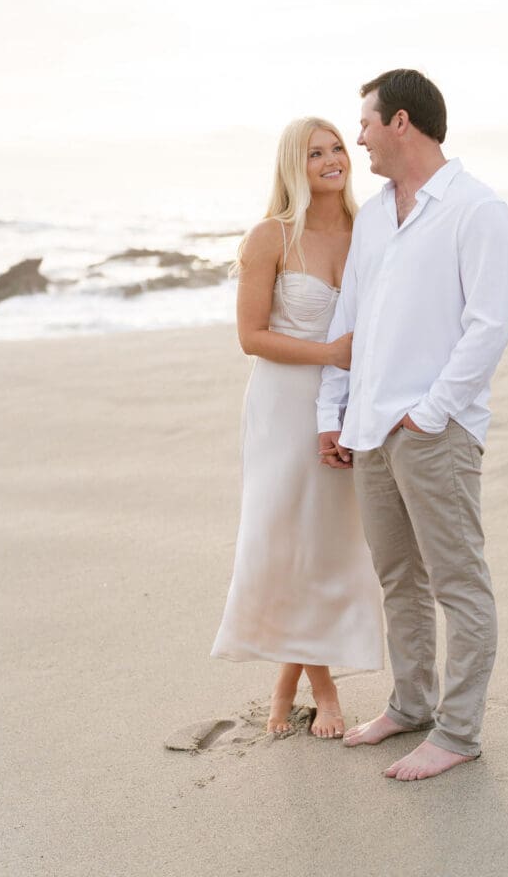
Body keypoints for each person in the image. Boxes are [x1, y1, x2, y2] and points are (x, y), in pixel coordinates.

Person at [317, 70, 508, 779]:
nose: (360, 137)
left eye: (366, 122)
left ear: (400, 122)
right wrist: (330, 410)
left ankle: (458, 732)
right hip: (368, 428)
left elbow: (488, 327)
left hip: (434, 430)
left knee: (458, 583)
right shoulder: (373, 215)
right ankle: (410, 704)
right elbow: (351, 318)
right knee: (397, 578)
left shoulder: (476, 210)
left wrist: (429, 412)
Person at [211, 117, 383, 738]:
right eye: (316, 152)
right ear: (295, 164)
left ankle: (287, 681)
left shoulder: (371, 230)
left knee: (331, 543)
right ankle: (324, 687)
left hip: (347, 407)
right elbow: (250, 336)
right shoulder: (271, 236)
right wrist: (329, 354)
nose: (333, 159)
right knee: (286, 539)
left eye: (338, 147)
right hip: (284, 406)